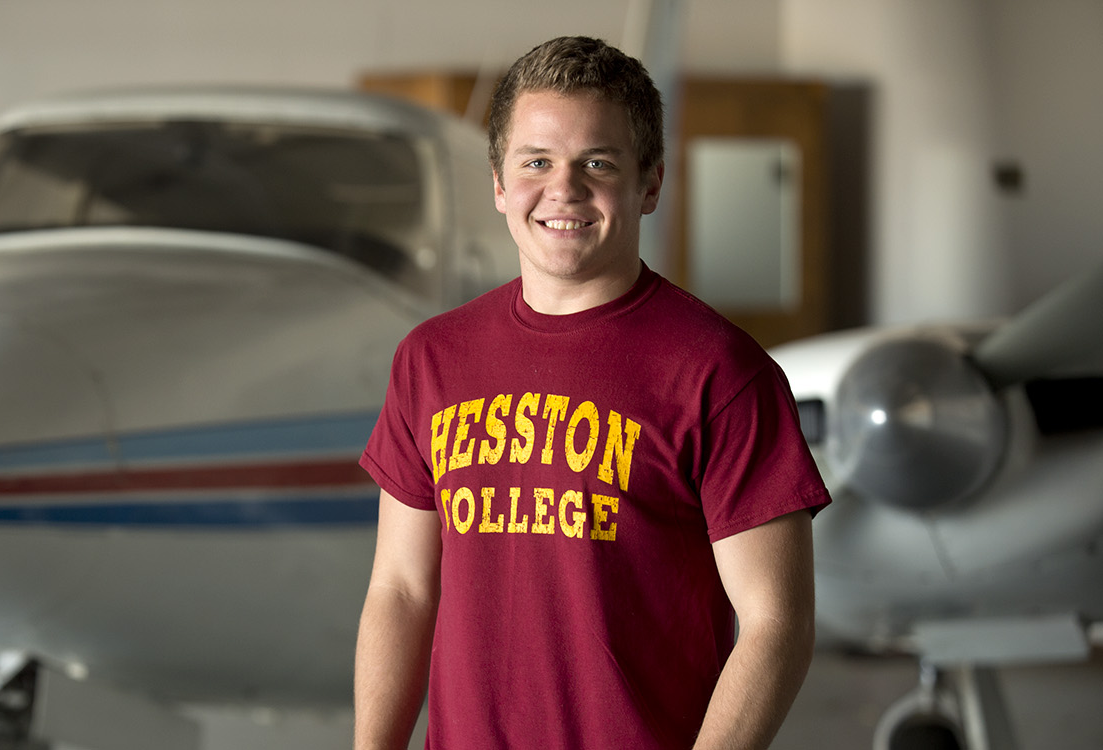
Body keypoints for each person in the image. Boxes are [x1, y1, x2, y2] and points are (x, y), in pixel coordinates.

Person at [353, 36, 830, 750]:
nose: (564, 189)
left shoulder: (721, 372)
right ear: (499, 183)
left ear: (651, 184)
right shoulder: (432, 360)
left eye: (597, 163)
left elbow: (776, 624)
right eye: (536, 162)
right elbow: (401, 589)